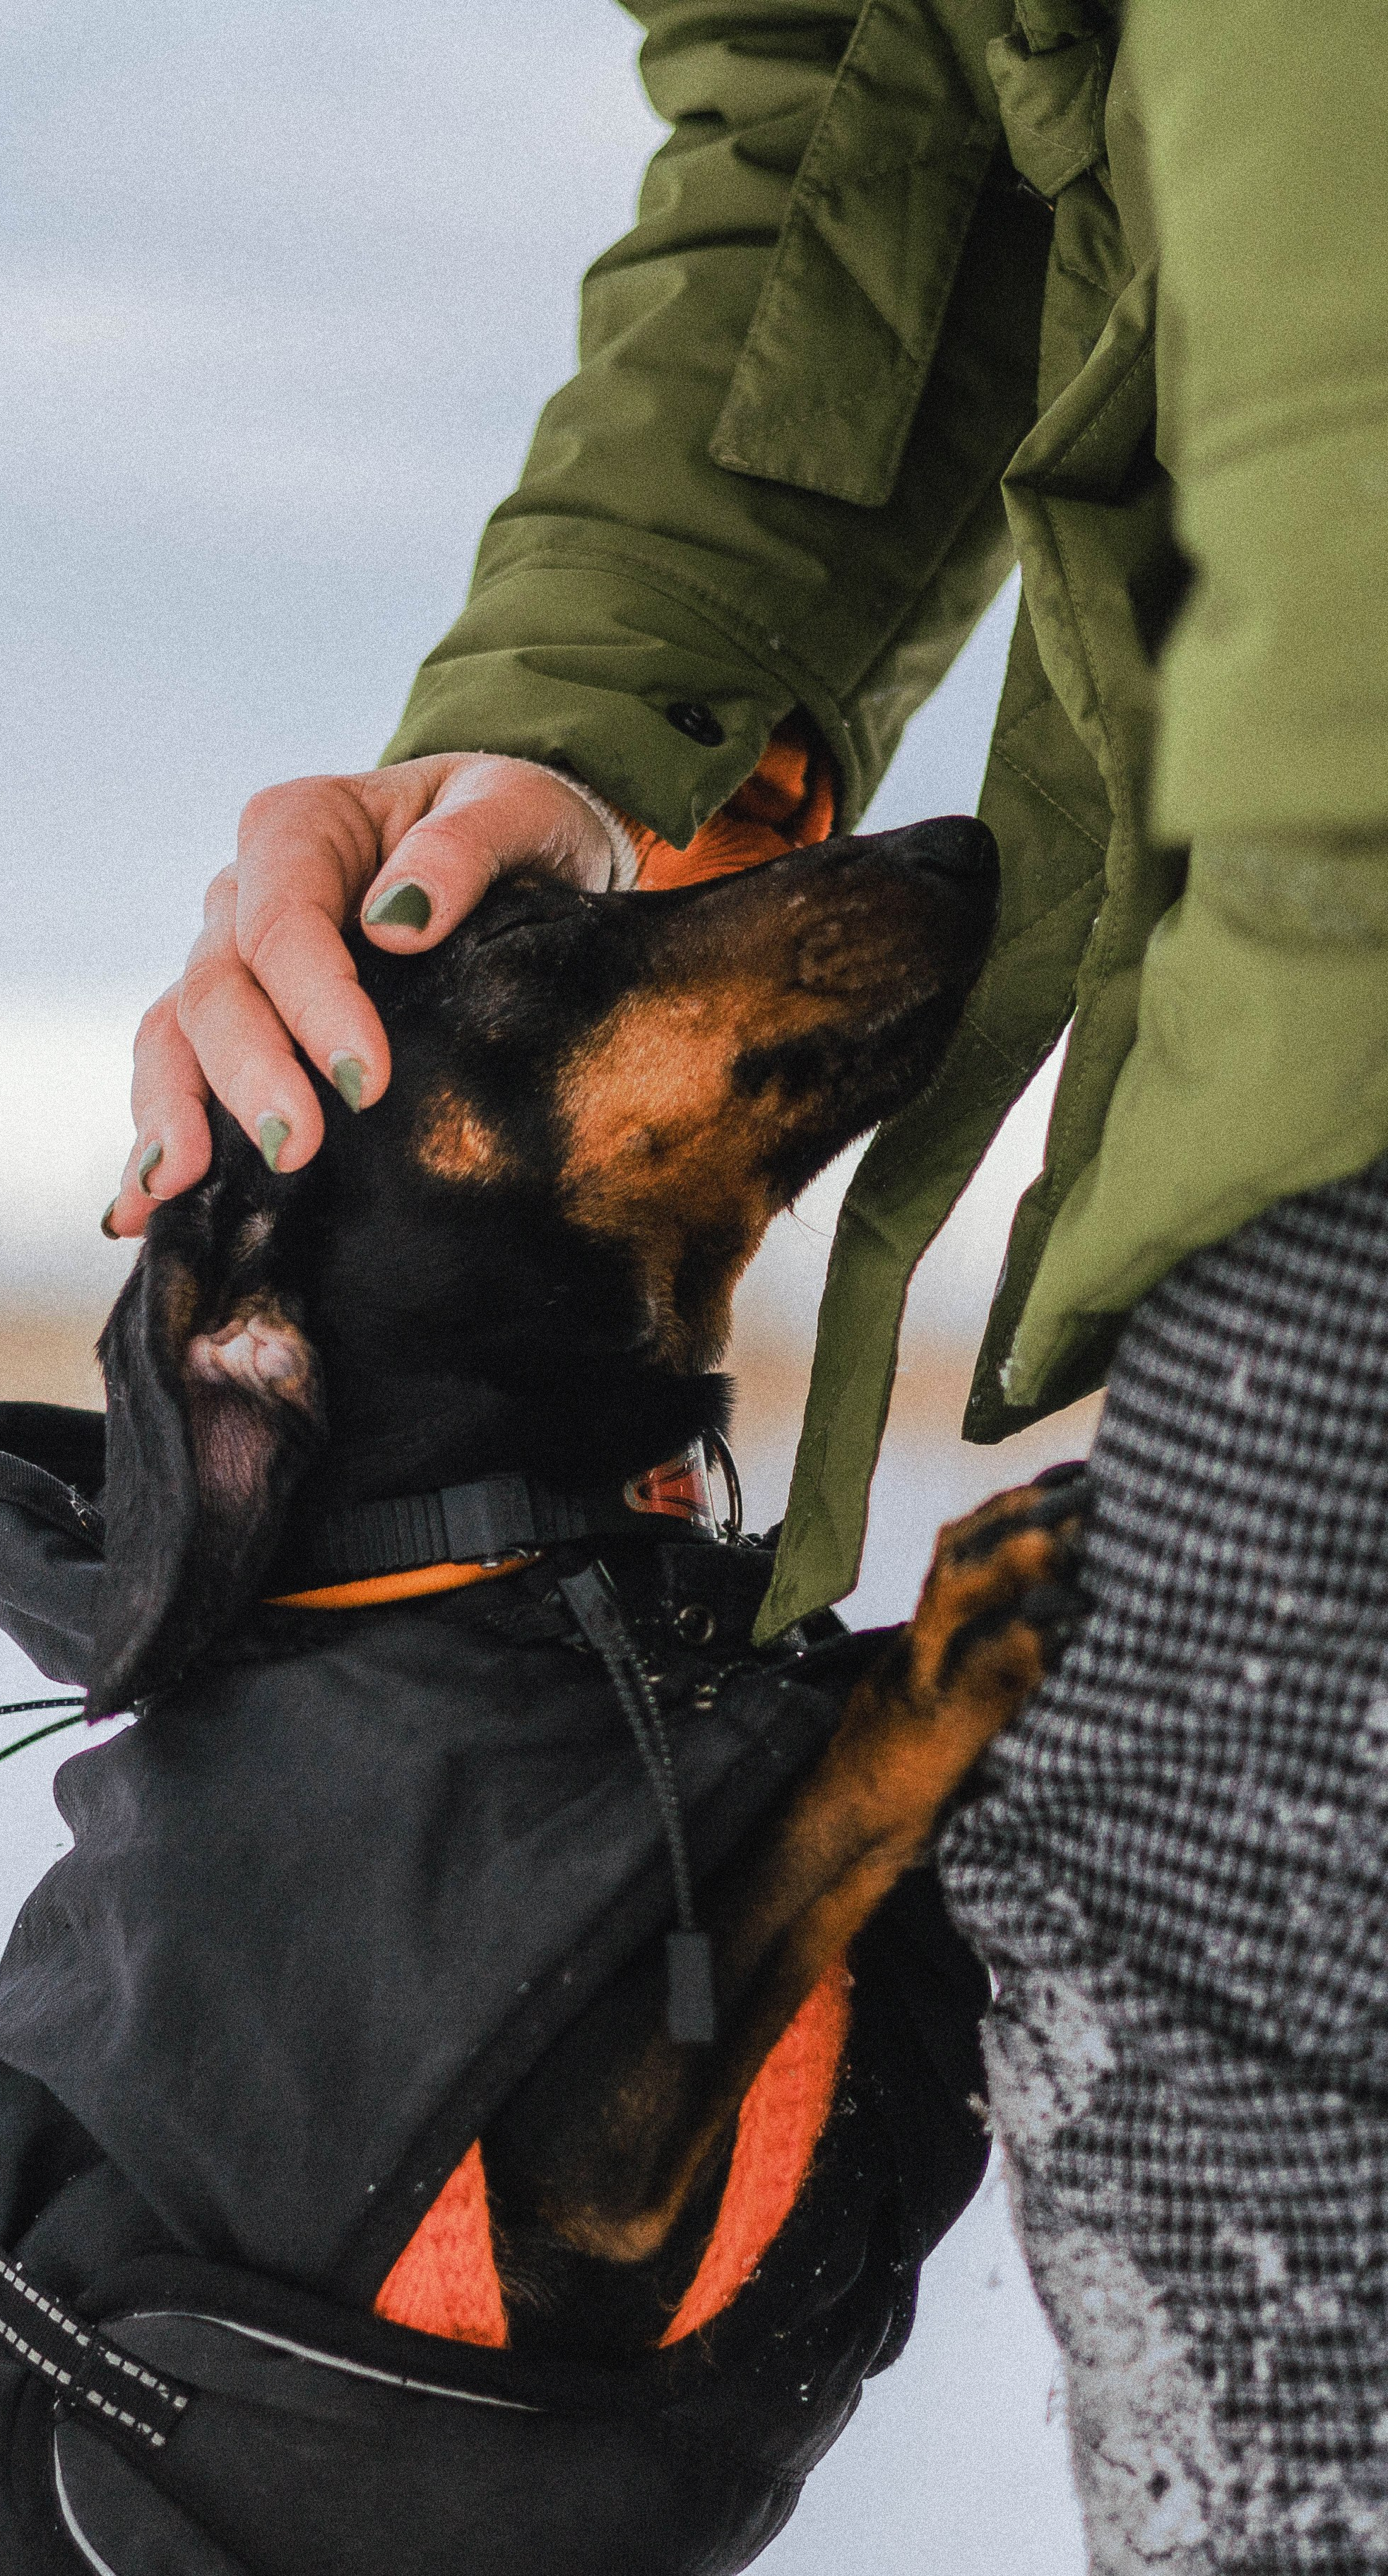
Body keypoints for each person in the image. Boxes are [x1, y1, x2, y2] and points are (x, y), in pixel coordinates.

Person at [108, 3, 1388, 2563]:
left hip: (1312, 983)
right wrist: (574, 719)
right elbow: (870, 101)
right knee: (1189, 1992)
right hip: (1293, 1038)